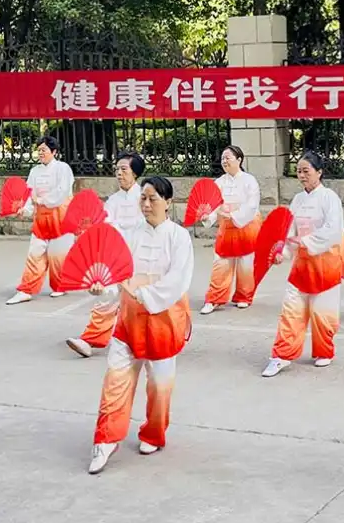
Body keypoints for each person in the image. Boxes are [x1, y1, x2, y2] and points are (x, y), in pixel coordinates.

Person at [87, 176, 194, 474]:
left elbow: (177, 281)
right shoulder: (130, 235)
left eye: (153, 199)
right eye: (143, 199)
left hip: (164, 320)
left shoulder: (179, 237)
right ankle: (105, 438)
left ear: (168, 202)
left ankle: (153, 432)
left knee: (159, 386)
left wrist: (144, 294)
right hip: (129, 319)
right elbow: (117, 275)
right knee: (115, 380)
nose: (146, 204)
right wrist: (103, 290)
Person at [262, 151, 344, 378]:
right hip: (301, 265)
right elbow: (289, 231)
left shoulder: (329, 198)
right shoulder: (297, 200)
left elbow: (332, 231)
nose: (301, 175)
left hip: (326, 264)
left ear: (319, 172)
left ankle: (324, 351)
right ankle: (281, 355)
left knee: (323, 313)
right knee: (291, 311)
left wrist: (305, 242)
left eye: (306, 171)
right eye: (299, 171)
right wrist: (283, 253)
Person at [66, 152, 146, 358]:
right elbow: (105, 224)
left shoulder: (144, 197)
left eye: (124, 169)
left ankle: (145, 339)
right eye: (117, 169)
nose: (119, 173)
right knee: (108, 296)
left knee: (139, 299)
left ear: (135, 173)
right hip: (115, 256)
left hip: (141, 255)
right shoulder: (113, 200)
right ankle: (90, 340)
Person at [6, 136, 76, 305]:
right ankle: (26, 289)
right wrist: (26, 209)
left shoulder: (63, 168)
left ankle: (61, 286)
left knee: (57, 255)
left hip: (61, 218)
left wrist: (42, 200)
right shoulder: (34, 171)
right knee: (35, 253)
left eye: (44, 150)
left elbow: (62, 192)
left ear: (54, 151)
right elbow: (29, 194)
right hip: (42, 219)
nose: (41, 153)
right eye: (39, 150)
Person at [199, 145, 263, 314]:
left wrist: (233, 216)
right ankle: (214, 298)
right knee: (221, 263)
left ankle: (244, 296)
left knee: (246, 264)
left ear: (239, 160)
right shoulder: (218, 183)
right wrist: (208, 217)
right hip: (227, 229)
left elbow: (252, 206)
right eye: (222, 158)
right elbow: (213, 205)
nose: (224, 161)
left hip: (247, 226)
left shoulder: (250, 181)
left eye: (228, 157)